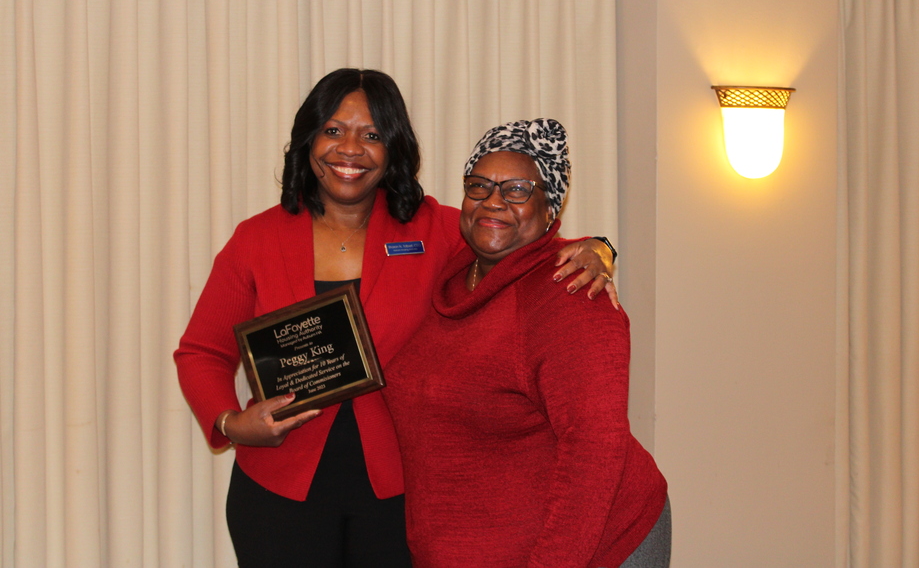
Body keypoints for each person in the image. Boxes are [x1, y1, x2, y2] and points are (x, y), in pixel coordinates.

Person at [174, 69, 618, 568]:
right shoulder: (255, 239)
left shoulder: (437, 228)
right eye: (333, 130)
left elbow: (516, 236)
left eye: (372, 135)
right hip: (277, 487)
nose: (350, 150)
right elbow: (201, 352)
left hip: (403, 491)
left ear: (394, 149)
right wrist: (231, 423)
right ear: (308, 139)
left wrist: (600, 247)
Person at [382, 118, 670, 568]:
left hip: (595, 546)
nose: (493, 201)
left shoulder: (572, 294)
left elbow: (595, 451)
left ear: (551, 207)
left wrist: (602, 249)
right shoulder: (458, 268)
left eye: (517, 190)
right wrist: (602, 245)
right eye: (478, 185)